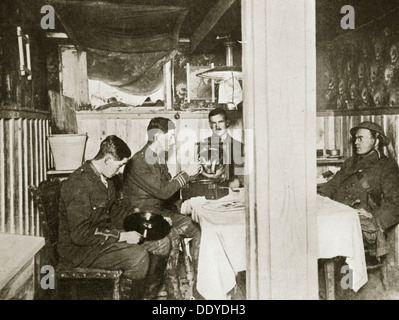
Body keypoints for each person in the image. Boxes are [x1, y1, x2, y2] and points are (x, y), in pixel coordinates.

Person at [58, 135, 171, 300]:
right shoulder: (78, 184)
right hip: (80, 250)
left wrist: (152, 221)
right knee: (138, 257)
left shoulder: (107, 179)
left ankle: (147, 296)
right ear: (107, 160)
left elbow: (117, 213)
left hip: (102, 238)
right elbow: (80, 234)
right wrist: (123, 236)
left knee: (162, 243)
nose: (119, 171)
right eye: (119, 166)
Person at [122, 117, 203, 299]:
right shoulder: (139, 162)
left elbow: (168, 194)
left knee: (196, 228)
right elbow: (164, 191)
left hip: (159, 213)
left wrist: (182, 207)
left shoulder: (157, 158)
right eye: (171, 136)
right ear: (158, 136)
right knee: (171, 237)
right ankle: (170, 293)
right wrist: (186, 174)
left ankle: (200, 286)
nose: (174, 141)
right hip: (140, 218)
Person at [318, 121, 399, 258]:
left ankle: (347, 278)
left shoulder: (387, 166)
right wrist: (319, 197)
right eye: (355, 138)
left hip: (359, 220)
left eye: (360, 138)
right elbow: (333, 184)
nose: (356, 142)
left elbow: (395, 203)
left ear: (376, 141)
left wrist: (374, 216)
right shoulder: (350, 162)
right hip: (340, 212)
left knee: (335, 239)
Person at [199, 107, 245, 188]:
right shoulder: (202, 146)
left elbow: (241, 179)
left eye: (220, 122)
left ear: (227, 123)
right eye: (213, 123)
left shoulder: (239, 146)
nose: (217, 126)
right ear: (210, 125)